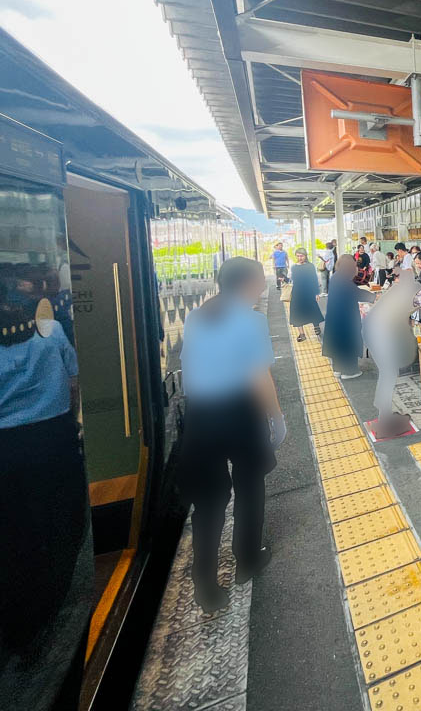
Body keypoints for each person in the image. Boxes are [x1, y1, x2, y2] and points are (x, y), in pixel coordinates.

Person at [0, 265, 91, 660]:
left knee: (3, 547)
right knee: (61, 528)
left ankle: (22, 633)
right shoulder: (47, 330)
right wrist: (60, 421)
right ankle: (51, 607)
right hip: (50, 445)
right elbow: (73, 384)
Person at [180, 258, 285, 612]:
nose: (262, 289)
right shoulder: (251, 321)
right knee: (250, 487)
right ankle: (247, 559)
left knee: (208, 503)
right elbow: (258, 378)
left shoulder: (197, 317)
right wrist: (277, 418)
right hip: (239, 412)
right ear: (251, 284)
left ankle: (205, 585)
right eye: (259, 283)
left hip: (199, 417)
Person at [362, 268, 417, 437]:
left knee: (386, 373)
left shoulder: (397, 289)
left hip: (369, 329)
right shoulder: (414, 292)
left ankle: (384, 413)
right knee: (389, 373)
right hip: (380, 332)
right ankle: (384, 420)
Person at [322, 257, 369, 379]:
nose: (355, 269)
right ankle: (349, 371)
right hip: (346, 319)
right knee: (348, 342)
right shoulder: (344, 280)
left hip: (335, 317)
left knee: (337, 343)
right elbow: (358, 294)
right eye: (353, 266)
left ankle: (338, 369)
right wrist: (376, 297)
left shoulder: (336, 276)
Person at [288, 247, 323, 341]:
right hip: (297, 292)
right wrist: (285, 279)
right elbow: (292, 279)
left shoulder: (310, 266)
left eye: (302, 256)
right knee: (296, 312)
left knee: (312, 309)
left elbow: (314, 279)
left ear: (305, 256)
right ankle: (302, 334)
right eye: (298, 256)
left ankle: (316, 326)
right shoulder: (294, 267)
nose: (300, 258)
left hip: (309, 291)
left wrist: (316, 293)